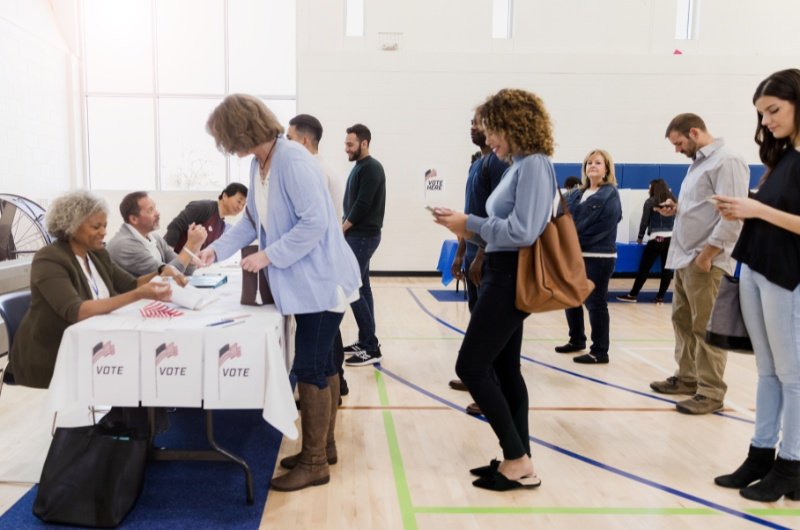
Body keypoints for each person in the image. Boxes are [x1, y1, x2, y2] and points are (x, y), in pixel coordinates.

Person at [198, 94, 361, 493]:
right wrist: (216, 249)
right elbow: (252, 220)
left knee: (310, 369)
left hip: (322, 282)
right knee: (321, 365)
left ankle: (314, 462)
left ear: (240, 130)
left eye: (225, 137)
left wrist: (268, 256)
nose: (225, 146)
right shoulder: (261, 163)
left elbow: (315, 223)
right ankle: (323, 446)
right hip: (304, 284)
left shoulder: (293, 161)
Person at [433, 88, 557, 491]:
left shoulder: (534, 165)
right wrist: (466, 223)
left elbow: (524, 231)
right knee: (505, 368)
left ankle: (517, 457)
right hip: (500, 272)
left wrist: (469, 223)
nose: (488, 141)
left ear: (513, 125)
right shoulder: (521, 164)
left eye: (492, 131)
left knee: (470, 366)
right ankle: (518, 460)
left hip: (508, 276)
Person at [712, 68, 800, 502]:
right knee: (767, 373)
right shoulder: (783, 156)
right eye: (762, 113)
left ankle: (792, 464)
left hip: (789, 276)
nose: (766, 121)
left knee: (793, 375)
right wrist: (743, 210)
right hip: (758, 269)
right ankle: (761, 454)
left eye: (773, 110)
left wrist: (756, 210)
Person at [7, 190, 174, 389]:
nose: (103, 232)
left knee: (144, 357)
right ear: (71, 226)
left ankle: (134, 417)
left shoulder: (97, 254)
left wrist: (162, 271)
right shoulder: (49, 259)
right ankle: (126, 417)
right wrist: (138, 295)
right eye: (96, 226)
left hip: (96, 339)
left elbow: (131, 284)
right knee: (139, 362)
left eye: (104, 225)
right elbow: (78, 311)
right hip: (55, 351)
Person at [648, 113, 749, 414]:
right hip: (685, 257)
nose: (677, 150)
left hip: (705, 260)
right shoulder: (699, 164)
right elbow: (703, 209)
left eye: (679, 143)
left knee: (707, 328)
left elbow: (732, 215)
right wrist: (677, 209)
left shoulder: (727, 160)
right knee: (682, 321)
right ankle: (687, 377)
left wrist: (707, 255)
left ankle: (710, 391)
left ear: (694, 132)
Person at [448, 106, 509, 415]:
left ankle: (491, 389)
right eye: (470, 122)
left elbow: (498, 215)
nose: (472, 127)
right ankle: (479, 377)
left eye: (477, 123)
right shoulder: (478, 163)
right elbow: (469, 214)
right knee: (477, 319)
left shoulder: (498, 164)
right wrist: (461, 251)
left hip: (489, 258)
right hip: (473, 254)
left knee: (490, 327)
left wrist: (481, 255)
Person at [287, 112, 349, 397]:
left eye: (289, 139)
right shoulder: (320, 168)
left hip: (320, 270)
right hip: (322, 269)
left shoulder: (314, 171)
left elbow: (310, 225)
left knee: (315, 362)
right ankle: (326, 437)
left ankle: (321, 438)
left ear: (303, 139)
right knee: (323, 358)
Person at [554, 149, 622, 364]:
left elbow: (605, 224)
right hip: (572, 255)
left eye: (598, 163)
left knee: (595, 303)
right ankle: (576, 340)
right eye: (589, 162)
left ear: (606, 169)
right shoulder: (574, 194)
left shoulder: (610, 193)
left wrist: (571, 235)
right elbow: (558, 217)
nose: (592, 166)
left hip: (597, 257)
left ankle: (600, 351)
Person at [341, 123, 387, 367]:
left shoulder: (372, 168)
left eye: (350, 144)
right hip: (357, 236)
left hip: (362, 236)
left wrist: (342, 228)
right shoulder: (360, 167)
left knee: (352, 287)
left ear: (364, 143)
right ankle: (365, 340)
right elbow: (351, 204)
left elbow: (361, 205)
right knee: (363, 287)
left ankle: (371, 346)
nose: (346, 148)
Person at [107, 191, 206, 278]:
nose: (157, 213)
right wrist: (190, 246)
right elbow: (168, 275)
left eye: (155, 208)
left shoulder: (154, 237)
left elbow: (185, 271)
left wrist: (195, 247)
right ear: (134, 219)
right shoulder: (124, 245)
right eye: (150, 210)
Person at [617, 179, 676, 304]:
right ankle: (660, 297)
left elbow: (644, 221)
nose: (649, 190)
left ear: (654, 189)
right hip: (671, 238)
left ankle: (633, 294)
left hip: (656, 237)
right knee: (667, 269)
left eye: (650, 188)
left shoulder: (650, 201)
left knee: (644, 268)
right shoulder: (673, 201)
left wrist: (640, 237)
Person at [164, 183, 248, 253]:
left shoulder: (221, 225)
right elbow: (174, 226)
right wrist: (169, 258)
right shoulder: (204, 207)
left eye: (243, 205)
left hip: (185, 266)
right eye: (239, 201)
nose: (240, 207)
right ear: (225, 196)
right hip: (167, 262)